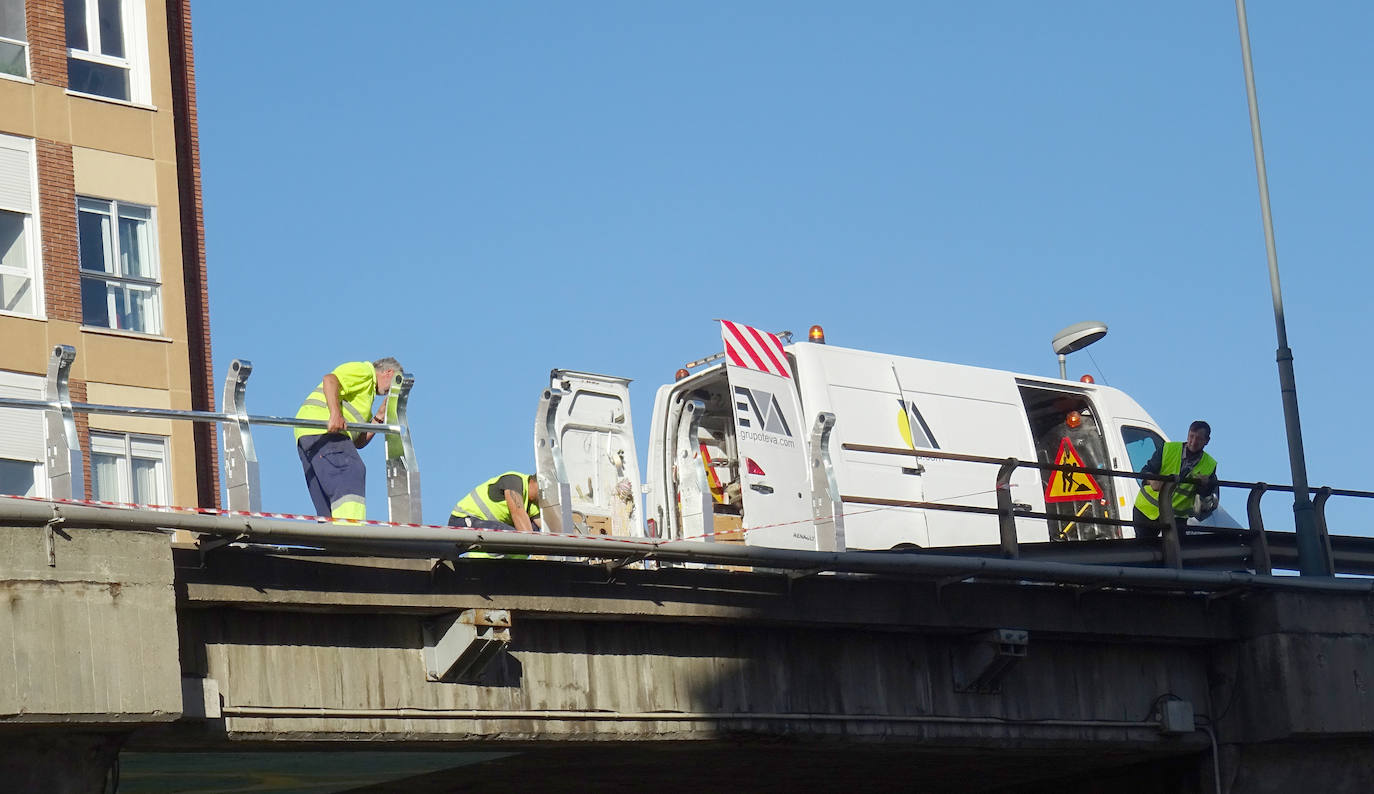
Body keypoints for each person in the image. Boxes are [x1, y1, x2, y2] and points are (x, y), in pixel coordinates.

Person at [295, 358, 402, 522]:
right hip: (326, 431)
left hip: (311, 435)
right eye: (394, 384)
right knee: (351, 471)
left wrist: (379, 417)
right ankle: (351, 532)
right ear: (389, 373)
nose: (390, 391)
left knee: (328, 492)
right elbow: (330, 380)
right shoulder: (365, 372)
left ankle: (332, 539)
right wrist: (335, 414)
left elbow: (358, 442)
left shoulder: (366, 396)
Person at [1132, 420, 1218, 541]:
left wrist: (1204, 485)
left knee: (1175, 553)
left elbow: (1207, 497)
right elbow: (1146, 470)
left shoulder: (1209, 464)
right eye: (1191, 436)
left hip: (1176, 517)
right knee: (1144, 550)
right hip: (1147, 510)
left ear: (1207, 441)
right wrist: (1153, 481)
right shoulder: (1169, 448)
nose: (1193, 442)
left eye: (1198, 439)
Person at [448, 472, 541, 532]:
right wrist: (536, 547)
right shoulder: (514, 481)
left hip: (487, 525)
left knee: (535, 530)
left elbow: (548, 529)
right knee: (510, 535)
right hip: (464, 520)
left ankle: (511, 562)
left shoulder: (534, 504)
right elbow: (518, 514)